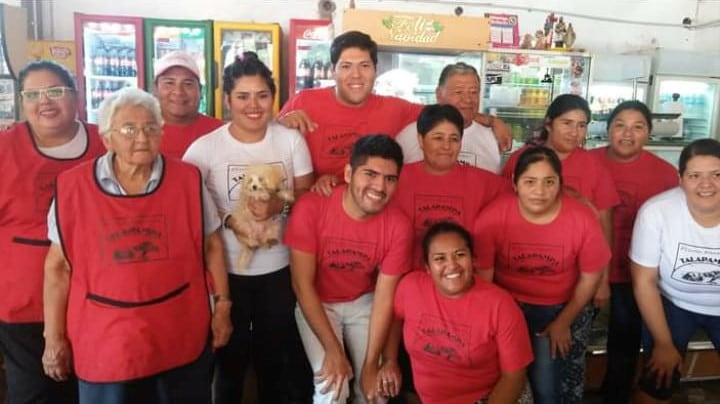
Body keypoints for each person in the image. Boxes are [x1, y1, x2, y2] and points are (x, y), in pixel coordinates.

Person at [42, 87, 232, 403]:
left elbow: (212, 245)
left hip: (178, 329)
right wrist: (53, 337)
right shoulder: (72, 187)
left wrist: (223, 306)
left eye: (150, 128)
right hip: (105, 338)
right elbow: (57, 267)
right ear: (106, 138)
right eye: (129, 129)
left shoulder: (187, 179)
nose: (141, 137)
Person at [183, 51, 314, 404]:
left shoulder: (289, 140)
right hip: (226, 275)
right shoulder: (204, 149)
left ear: (274, 98)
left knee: (274, 363)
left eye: (262, 95)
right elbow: (188, 206)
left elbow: (304, 194)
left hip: (280, 271)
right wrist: (229, 220)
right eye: (242, 96)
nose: (253, 105)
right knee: (229, 363)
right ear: (227, 100)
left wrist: (279, 205)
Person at [278, 30, 509, 195]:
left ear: (376, 70)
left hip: (375, 211)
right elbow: (265, 140)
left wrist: (489, 120)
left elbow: (445, 111)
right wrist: (282, 123)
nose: (356, 75)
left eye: (365, 66)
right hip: (322, 212)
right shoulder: (305, 101)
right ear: (333, 71)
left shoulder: (394, 108)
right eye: (346, 66)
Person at [0, 60, 105, 404]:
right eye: (33, 94)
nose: (44, 101)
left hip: (95, 297)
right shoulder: (4, 147)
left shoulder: (105, 143)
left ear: (77, 96)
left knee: (90, 388)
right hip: (24, 302)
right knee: (32, 392)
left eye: (55, 91)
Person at [475, 146, 611, 404]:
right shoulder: (493, 217)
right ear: (515, 183)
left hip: (561, 305)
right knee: (505, 378)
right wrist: (499, 324)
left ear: (560, 184)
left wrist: (563, 321)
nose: (540, 191)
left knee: (548, 388)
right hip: (508, 305)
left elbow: (590, 278)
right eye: (530, 182)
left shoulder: (581, 219)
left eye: (549, 182)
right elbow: (484, 280)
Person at [284, 134, 413, 404]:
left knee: (375, 393)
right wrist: (333, 350)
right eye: (370, 174)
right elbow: (301, 285)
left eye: (390, 179)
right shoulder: (312, 206)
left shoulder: (398, 225)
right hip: (318, 303)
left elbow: (384, 298)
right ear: (348, 173)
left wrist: (370, 367)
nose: (379, 186)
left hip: (362, 301)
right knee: (332, 389)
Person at [382, 221, 533, 404]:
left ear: (473, 260)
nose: (452, 265)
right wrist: (390, 360)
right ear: (428, 268)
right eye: (440, 258)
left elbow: (514, 377)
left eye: (460, 255)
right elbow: (395, 319)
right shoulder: (410, 287)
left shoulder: (501, 305)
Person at [590, 101, 678, 404]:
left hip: (635, 274)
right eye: (620, 125)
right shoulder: (587, 162)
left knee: (625, 342)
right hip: (587, 269)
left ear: (649, 133)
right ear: (607, 129)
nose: (627, 134)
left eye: (637, 127)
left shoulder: (665, 174)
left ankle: (614, 396)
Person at [502, 94, 619, 309]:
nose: (574, 132)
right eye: (567, 123)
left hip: (577, 284)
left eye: (581, 125)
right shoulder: (521, 159)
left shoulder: (593, 165)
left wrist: (602, 280)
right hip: (518, 281)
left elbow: (604, 224)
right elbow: (503, 215)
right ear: (549, 124)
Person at [630, 138, 720, 404]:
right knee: (657, 381)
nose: (706, 184)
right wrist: (663, 343)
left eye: (717, 175)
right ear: (680, 179)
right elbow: (644, 281)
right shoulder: (656, 212)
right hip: (673, 303)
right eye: (695, 175)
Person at [393, 104, 508, 269]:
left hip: (460, 281)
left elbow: (522, 198)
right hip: (408, 280)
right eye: (438, 138)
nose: (446, 146)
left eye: (454, 139)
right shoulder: (396, 178)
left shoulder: (483, 182)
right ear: (420, 140)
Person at [396, 62, 503, 173]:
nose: (468, 99)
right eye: (458, 92)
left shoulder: (492, 138)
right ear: (439, 95)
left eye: (473, 92)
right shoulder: (410, 135)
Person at [152, 50, 223, 158]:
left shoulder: (221, 133)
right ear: (155, 89)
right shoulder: (141, 134)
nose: (178, 91)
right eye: (169, 83)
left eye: (188, 84)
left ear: (200, 90)